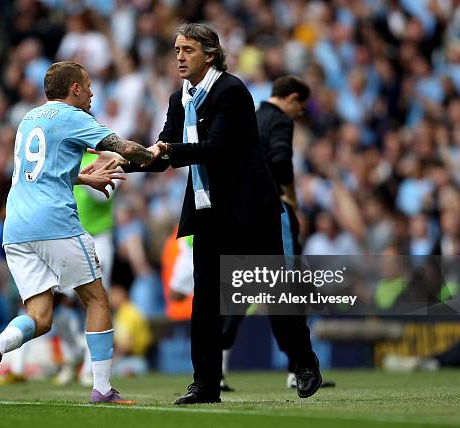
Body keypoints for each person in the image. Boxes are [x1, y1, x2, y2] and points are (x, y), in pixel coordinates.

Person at [91, 23, 320, 404]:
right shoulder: (178, 98)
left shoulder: (231, 91)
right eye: (177, 49)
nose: (179, 56)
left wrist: (166, 150)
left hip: (251, 208)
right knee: (207, 301)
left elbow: (217, 149)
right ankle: (206, 385)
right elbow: (160, 155)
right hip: (209, 210)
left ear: (210, 55)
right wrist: (120, 163)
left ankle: (304, 361)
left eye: (188, 50)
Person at [0, 61, 156, 403]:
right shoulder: (74, 117)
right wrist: (157, 152)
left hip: (15, 226)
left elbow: (40, 172)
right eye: (87, 86)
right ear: (74, 89)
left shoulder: (29, 119)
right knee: (97, 300)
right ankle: (102, 389)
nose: (92, 93)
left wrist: (84, 177)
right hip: (54, 221)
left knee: (41, 317)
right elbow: (125, 149)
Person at [221, 76, 326, 395]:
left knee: (241, 292)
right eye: (301, 108)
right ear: (292, 98)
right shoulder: (280, 121)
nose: (299, 114)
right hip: (273, 212)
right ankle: (300, 368)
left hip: (242, 214)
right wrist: (290, 195)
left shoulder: (252, 116)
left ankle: (216, 366)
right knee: (289, 289)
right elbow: (281, 161)